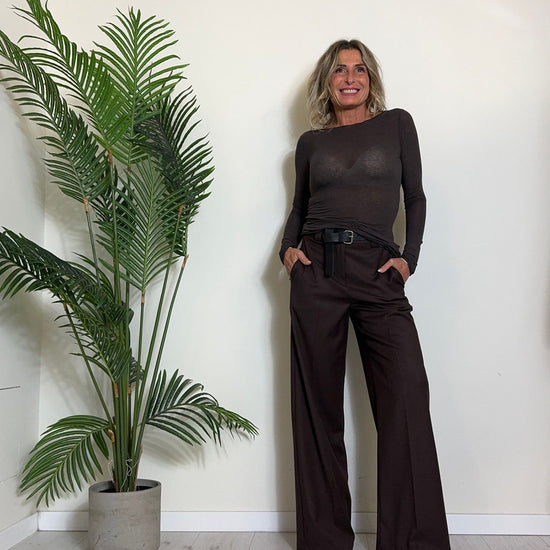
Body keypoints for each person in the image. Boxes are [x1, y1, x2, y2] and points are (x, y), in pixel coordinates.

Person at [279, 39, 451, 550]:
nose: (349, 78)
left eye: (358, 69)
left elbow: (415, 196)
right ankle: (325, 540)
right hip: (318, 271)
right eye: (339, 70)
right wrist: (288, 251)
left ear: (370, 78)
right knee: (318, 409)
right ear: (327, 83)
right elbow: (299, 206)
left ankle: (411, 542)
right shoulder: (311, 143)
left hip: (378, 270)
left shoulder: (397, 124)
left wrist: (409, 259)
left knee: (406, 396)